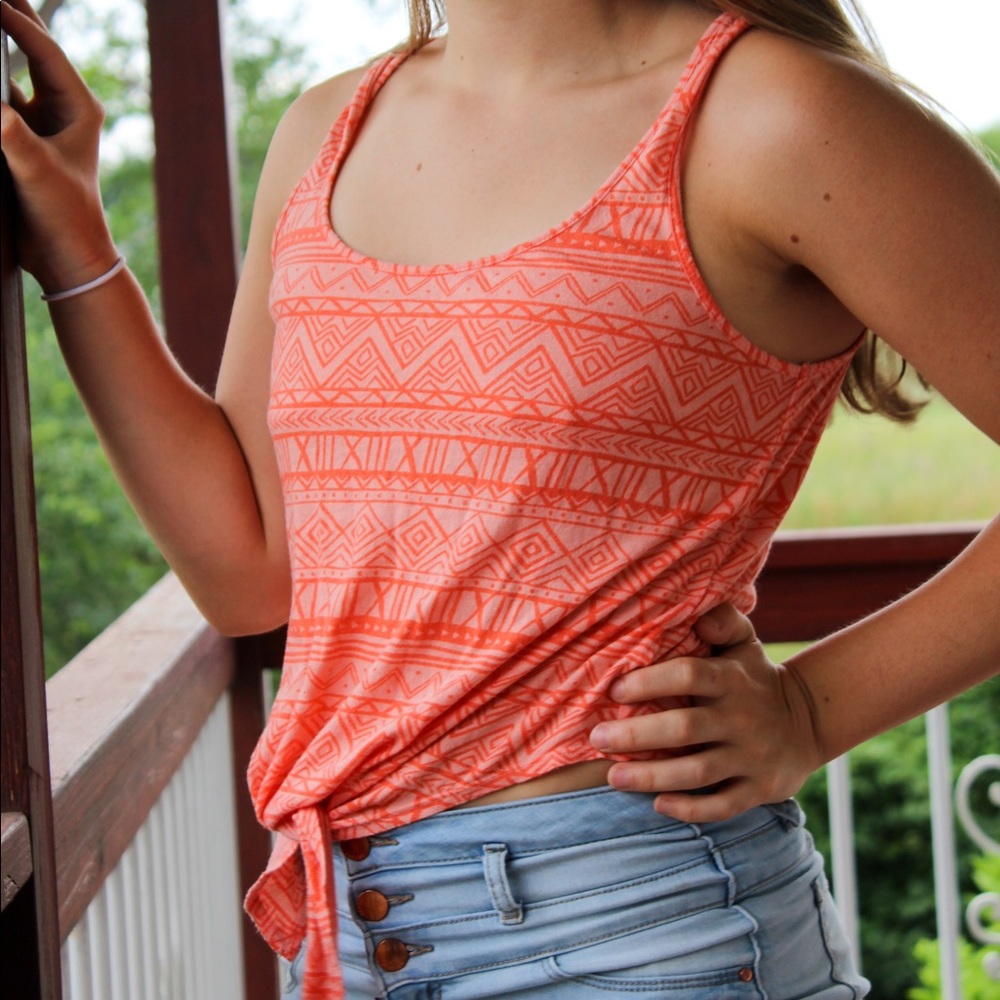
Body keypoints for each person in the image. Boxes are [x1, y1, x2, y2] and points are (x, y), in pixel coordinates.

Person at [1, 0, 997, 996]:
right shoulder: (326, 131)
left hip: (636, 929)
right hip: (351, 935)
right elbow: (250, 568)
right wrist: (78, 252)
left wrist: (809, 713)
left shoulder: (770, 115)